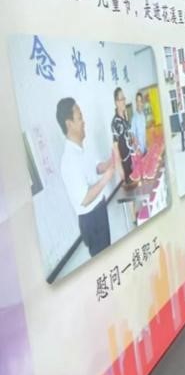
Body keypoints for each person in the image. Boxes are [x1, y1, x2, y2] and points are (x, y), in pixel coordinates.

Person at [56, 97, 115, 256]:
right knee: (102, 261)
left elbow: (96, 168)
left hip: (100, 209)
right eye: (80, 117)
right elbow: (85, 198)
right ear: (69, 124)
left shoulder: (82, 148)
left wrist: (110, 162)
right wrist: (106, 178)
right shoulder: (68, 161)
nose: (84, 121)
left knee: (108, 253)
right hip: (91, 220)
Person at [111, 87, 133, 184]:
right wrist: (120, 169)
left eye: (124, 98)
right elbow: (115, 147)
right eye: (121, 99)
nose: (124, 101)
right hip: (125, 164)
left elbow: (128, 136)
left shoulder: (125, 118)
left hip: (132, 160)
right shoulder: (116, 122)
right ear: (116, 102)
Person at [131, 91, 148, 155]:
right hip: (138, 152)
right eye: (137, 101)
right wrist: (138, 148)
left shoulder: (143, 115)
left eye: (140, 101)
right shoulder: (134, 118)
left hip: (144, 149)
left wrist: (146, 145)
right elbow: (133, 135)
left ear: (142, 103)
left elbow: (144, 132)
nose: (139, 103)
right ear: (136, 102)